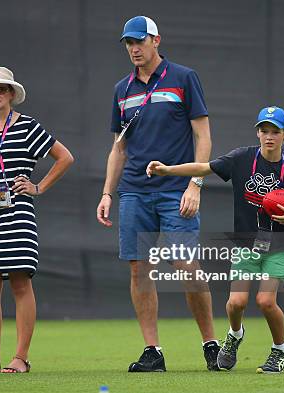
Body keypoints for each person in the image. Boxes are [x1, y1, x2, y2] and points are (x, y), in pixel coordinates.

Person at [147, 105, 284, 373]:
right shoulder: (242, 158)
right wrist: (167, 170)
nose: (269, 136)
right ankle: (234, 335)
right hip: (247, 244)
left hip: (280, 245)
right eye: (264, 130)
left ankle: (282, 350)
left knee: (266, 301)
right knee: (236, 303)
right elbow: (204, 167)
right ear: (257, 133)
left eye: (275, 131)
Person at [96, 16, 219, 372]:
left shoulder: (183, 78)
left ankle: (211, 343)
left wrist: (196, 183)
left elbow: (204, 136)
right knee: (140, 269)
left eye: (139, 41)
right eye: (128, 44)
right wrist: (107, 193)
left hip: (176, 189)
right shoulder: (122, 89)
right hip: (134, 191)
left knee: (185, 264)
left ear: (156, 41)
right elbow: (118, 148)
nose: (134, 49)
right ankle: (153, 352)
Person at [0, 66, 74, 374]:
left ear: (12, 94)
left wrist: (38, 187)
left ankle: (21, 358)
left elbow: (65, 157)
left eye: (1, 89)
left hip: (17, 214)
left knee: (20, 283)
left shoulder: (27, 126)